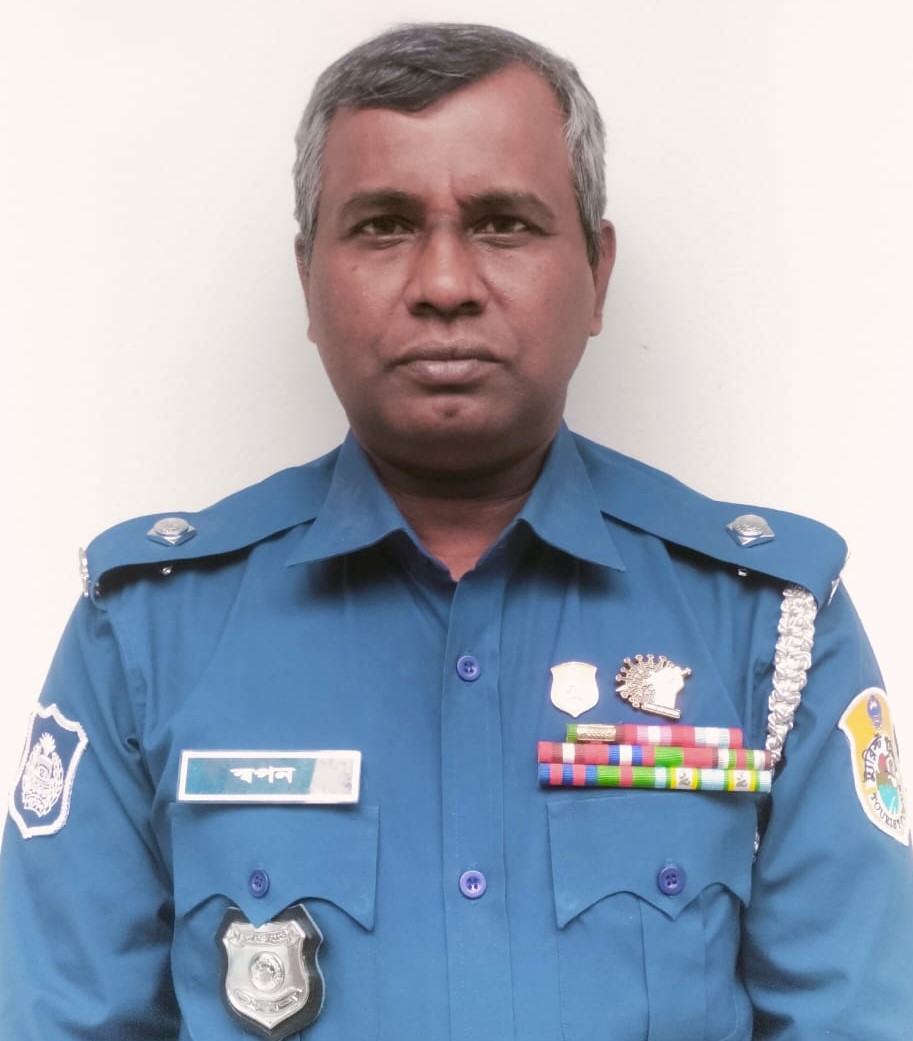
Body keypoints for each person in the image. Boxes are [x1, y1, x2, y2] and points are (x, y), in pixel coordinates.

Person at [1, 21, 910, 1041]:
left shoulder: (765, 626)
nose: (443, 284)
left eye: (503, 224)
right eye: (384, 225)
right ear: (308, 278)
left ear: (597, 272)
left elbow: (853, 1017)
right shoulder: (148, 633)